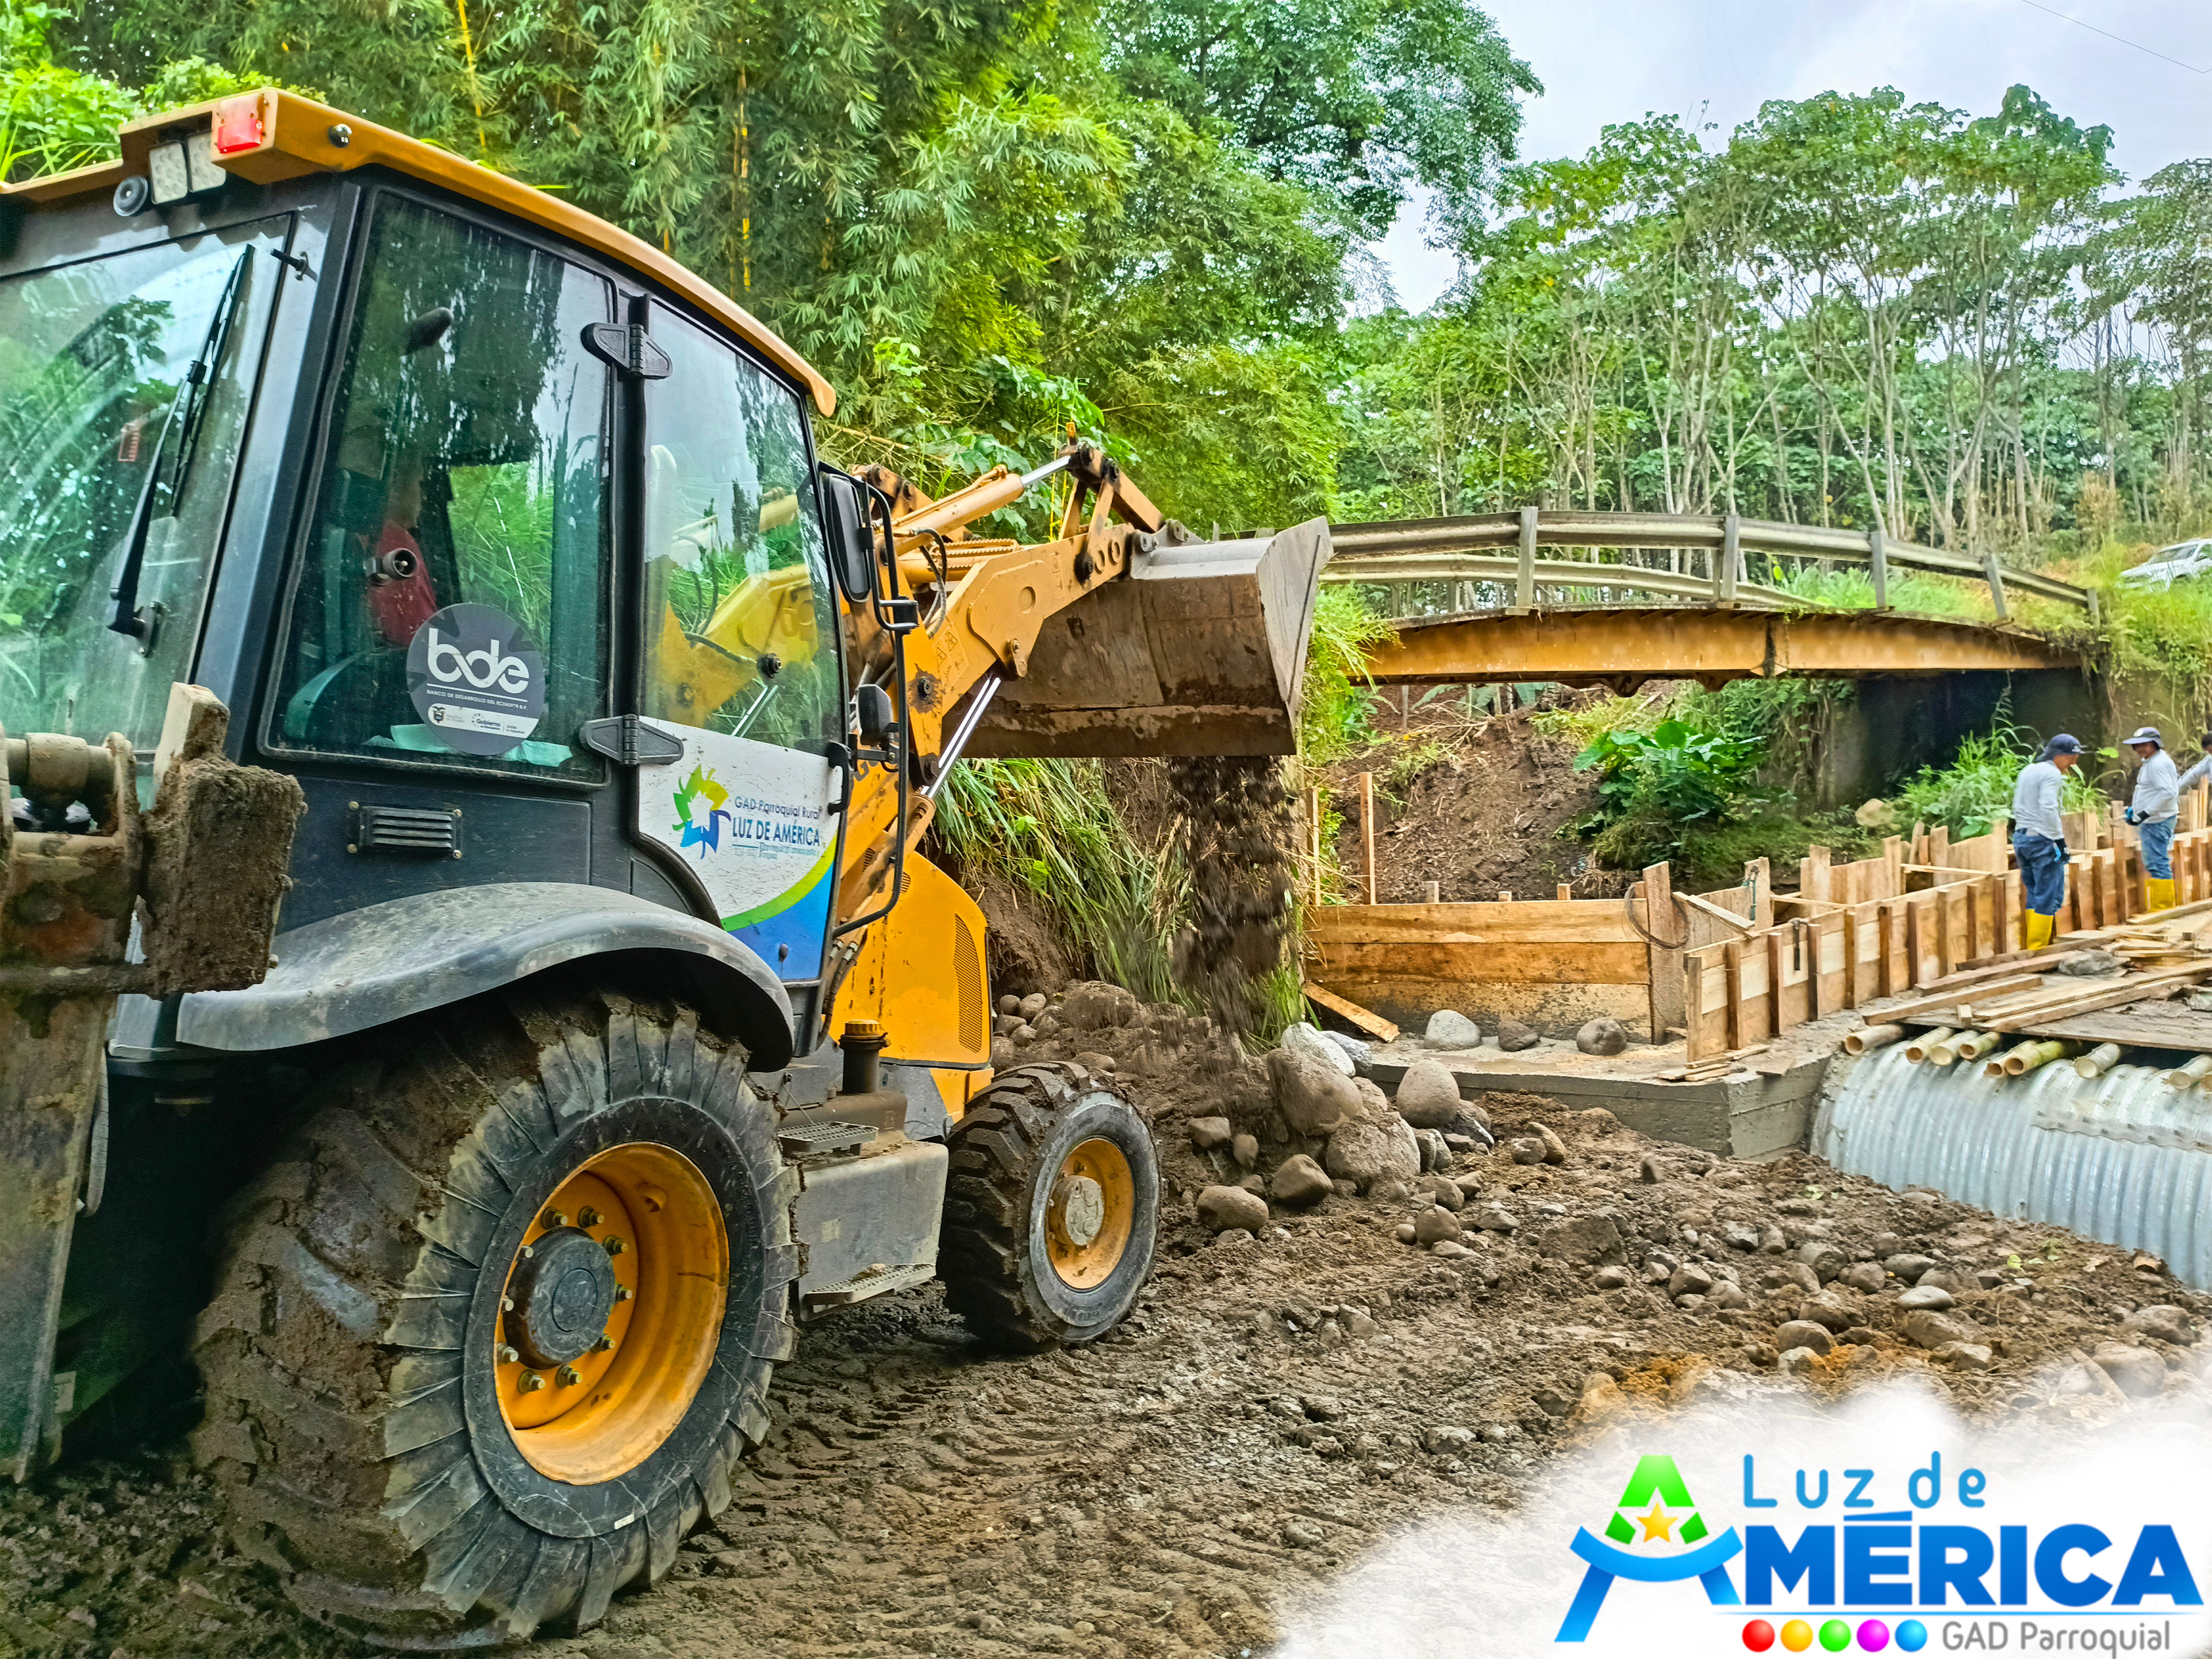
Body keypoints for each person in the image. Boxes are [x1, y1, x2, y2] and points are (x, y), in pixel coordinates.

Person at [2011, 735, 2081, 950]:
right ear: (2057, 755)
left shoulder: (2029, 770)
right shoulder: (2051, 774)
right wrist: (2059, 841)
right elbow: (2048, 808)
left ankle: (2032, 946)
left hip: (2022, 839)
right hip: (2042, 840)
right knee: (2049, 895)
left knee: (2034, 892)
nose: (2074, 762)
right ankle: (2037, 950)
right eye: (2070, 757)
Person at [2124, 725, 2180, 911]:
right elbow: (2151, 790)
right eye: (2137, 745)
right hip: (2154, 820)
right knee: (2155, 862)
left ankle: (2162, 909)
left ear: (2155, 744)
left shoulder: (2158, 764)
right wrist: (2136, 810)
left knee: (2157, 863)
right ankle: (2161, 908)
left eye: (2144, 744)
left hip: (2157, 821)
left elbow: (2168, 793)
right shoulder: (2153, 761)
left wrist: (2144, 814)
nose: (2140, 749)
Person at [2179, 731, 2212, 797]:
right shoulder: (2209, 760)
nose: (2211, 753)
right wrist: (2179, 787)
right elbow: (2195, 773)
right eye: (2209, 752)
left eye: (2211, 751)